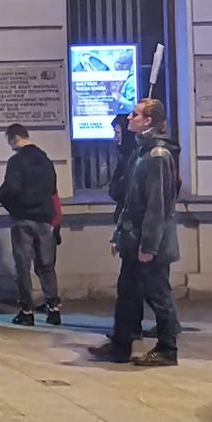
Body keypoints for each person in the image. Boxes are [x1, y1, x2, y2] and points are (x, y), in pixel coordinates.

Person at [88, 98, 181, 367]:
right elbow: (129, 202)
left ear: (148, 121)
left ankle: (167, 348)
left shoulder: (157, 157)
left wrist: (149, 246)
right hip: (133, 238)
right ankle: (120, 345)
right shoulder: (141, 153)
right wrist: (119, 235)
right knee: (127, 293)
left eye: (135, 114)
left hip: (150, 243)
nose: (129, 118)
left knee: (158, 294)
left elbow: (157, 206)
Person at [0, 124, 62, 327]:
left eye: (9, 141)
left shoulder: (16, 161)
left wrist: (13, 207)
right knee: (46, 266)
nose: (9, 146)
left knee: (23, 266)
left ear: (15, 137)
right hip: (44, 219)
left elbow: (9, 189)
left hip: (23, 220)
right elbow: (52, 188)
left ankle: (27, 310)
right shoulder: (45, 160)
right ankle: (53, 308)